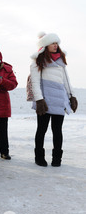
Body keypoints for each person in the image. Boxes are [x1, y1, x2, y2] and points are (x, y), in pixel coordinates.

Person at [30, 32, 78, 167]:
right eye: (53, 43)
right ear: (45, 45)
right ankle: (39, 157)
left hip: (59, 101)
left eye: (57, 43)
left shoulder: (60, 61)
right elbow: (35, 82)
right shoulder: (37, 61)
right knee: (42, 129)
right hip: (45, 102)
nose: (56, 45)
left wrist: (72, 96)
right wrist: (39, 100)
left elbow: (66, 81)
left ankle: (57, 158)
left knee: (57, 130)